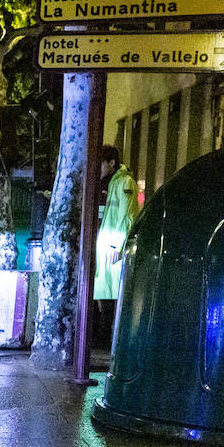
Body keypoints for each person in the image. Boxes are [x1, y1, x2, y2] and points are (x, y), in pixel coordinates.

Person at [94, 144, 138, 350]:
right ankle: (103, 336)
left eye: (101, 163)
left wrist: (117, 246)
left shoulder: (125, 183)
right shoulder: (109, 182)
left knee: (112, 295)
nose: (98, 167)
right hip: (105, 246)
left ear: (111, 162)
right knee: (102, 293)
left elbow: (127, 218)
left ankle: (108, 338)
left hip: (113, 248)